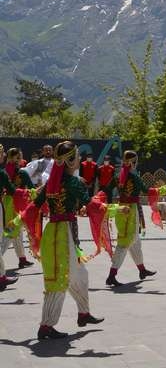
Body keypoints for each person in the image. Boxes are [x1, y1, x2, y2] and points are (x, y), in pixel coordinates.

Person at [21, 141, 107, 339]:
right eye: (76, 157)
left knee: (79, 275)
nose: (79, 160)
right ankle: (46, 326)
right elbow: (92, 205)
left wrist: (16, 221)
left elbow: (33, 207)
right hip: (64, 236)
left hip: (54, 232)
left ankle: (83, 313)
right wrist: (116, 209)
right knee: (60, 280)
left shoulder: (51, 183)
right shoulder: (72, 182)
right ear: (69, 162)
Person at [106, 150, 166, 287]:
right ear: (133, 163)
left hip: (121, 209)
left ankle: (142, 270)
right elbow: (147, 191)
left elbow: (106, 189)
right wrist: (165, 189)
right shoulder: (134, 177)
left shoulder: (118, 175)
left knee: (135, 242)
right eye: (135, 162)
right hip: (131, 212)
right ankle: (112, 275)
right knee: (124, 244)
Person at [1, 147, 35, 269]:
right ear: (17, 158)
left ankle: (22, 258)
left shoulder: (5, 170)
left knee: (16, 232)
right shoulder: (21, 172)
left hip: (6, 202)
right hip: (17, 204)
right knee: (10, 232)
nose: (21, 158)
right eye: (19, 156)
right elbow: (31, 188)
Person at [0, 145, 20, 290]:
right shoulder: (2, 173)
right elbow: (14, 192)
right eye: (2, 153)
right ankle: (1, 278)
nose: (4, 155)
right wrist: (31, 193)